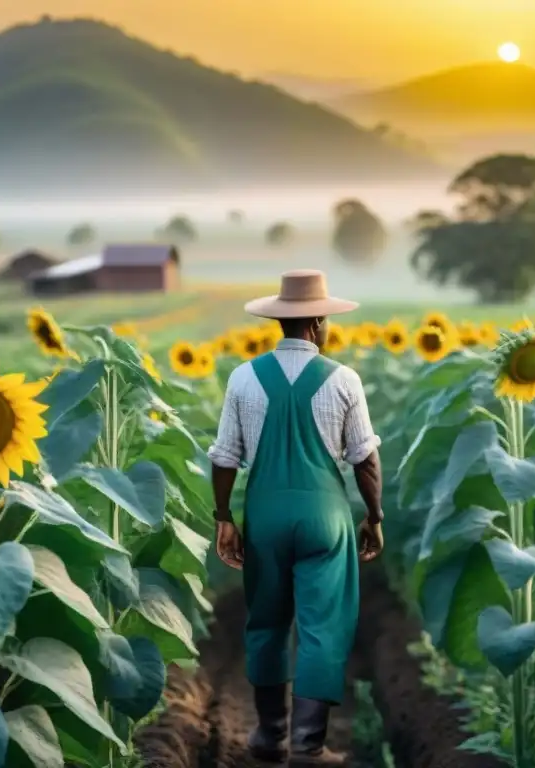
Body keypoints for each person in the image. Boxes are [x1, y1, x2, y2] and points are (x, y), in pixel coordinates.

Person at [207, 269, 385, 766]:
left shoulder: (244, 377)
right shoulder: (343, 380)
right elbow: (365, 460)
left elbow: (223, 457)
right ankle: (308, 745)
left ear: (281, 322)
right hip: (324, 518)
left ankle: (269, 736)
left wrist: (224, 518)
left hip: (264, 517)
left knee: (266, 622)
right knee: (322, 626)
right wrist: (375, 516)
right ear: (319, 322)